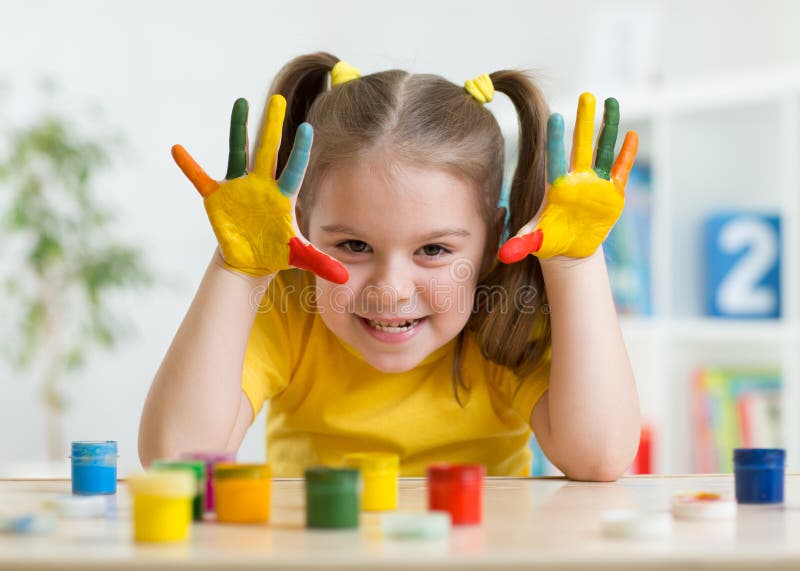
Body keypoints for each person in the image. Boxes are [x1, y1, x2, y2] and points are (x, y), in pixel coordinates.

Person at [139, 52, 640, 480]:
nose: (391, 291)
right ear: (301, 228)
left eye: (434, 250)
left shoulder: (500, 319)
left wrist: (576, 263)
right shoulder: (293, 309)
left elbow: (598, 458)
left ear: (491, 242)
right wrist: (238, 271)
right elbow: (180, 460)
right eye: (354, 245)